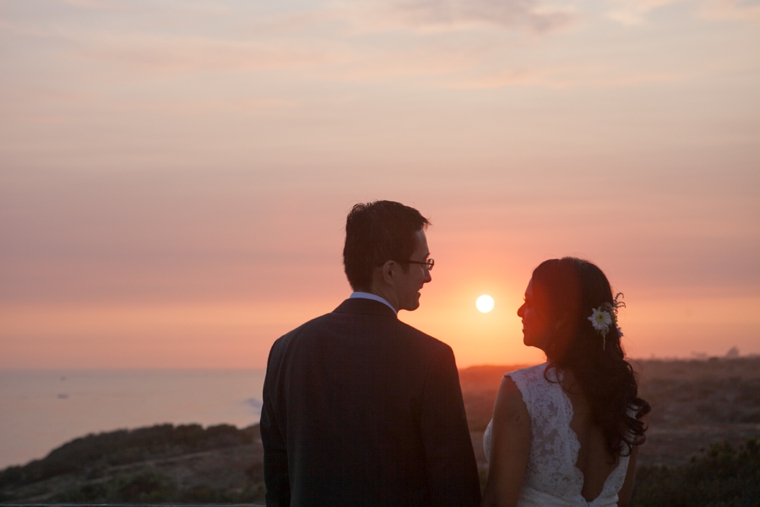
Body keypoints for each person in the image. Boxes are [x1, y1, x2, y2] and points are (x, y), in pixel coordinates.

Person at [261, 200, 481, 507]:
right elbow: (455, 486)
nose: (428, 277)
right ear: (390, 271)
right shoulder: (431, 357)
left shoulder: (286, 349)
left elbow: (277, 475)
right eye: (424, 263)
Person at [481, 258, 650, 507]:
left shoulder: (522, 390)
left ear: (560, 317)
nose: (519, 311)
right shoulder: (624, 399)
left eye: (529, 303)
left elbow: (498, 502)